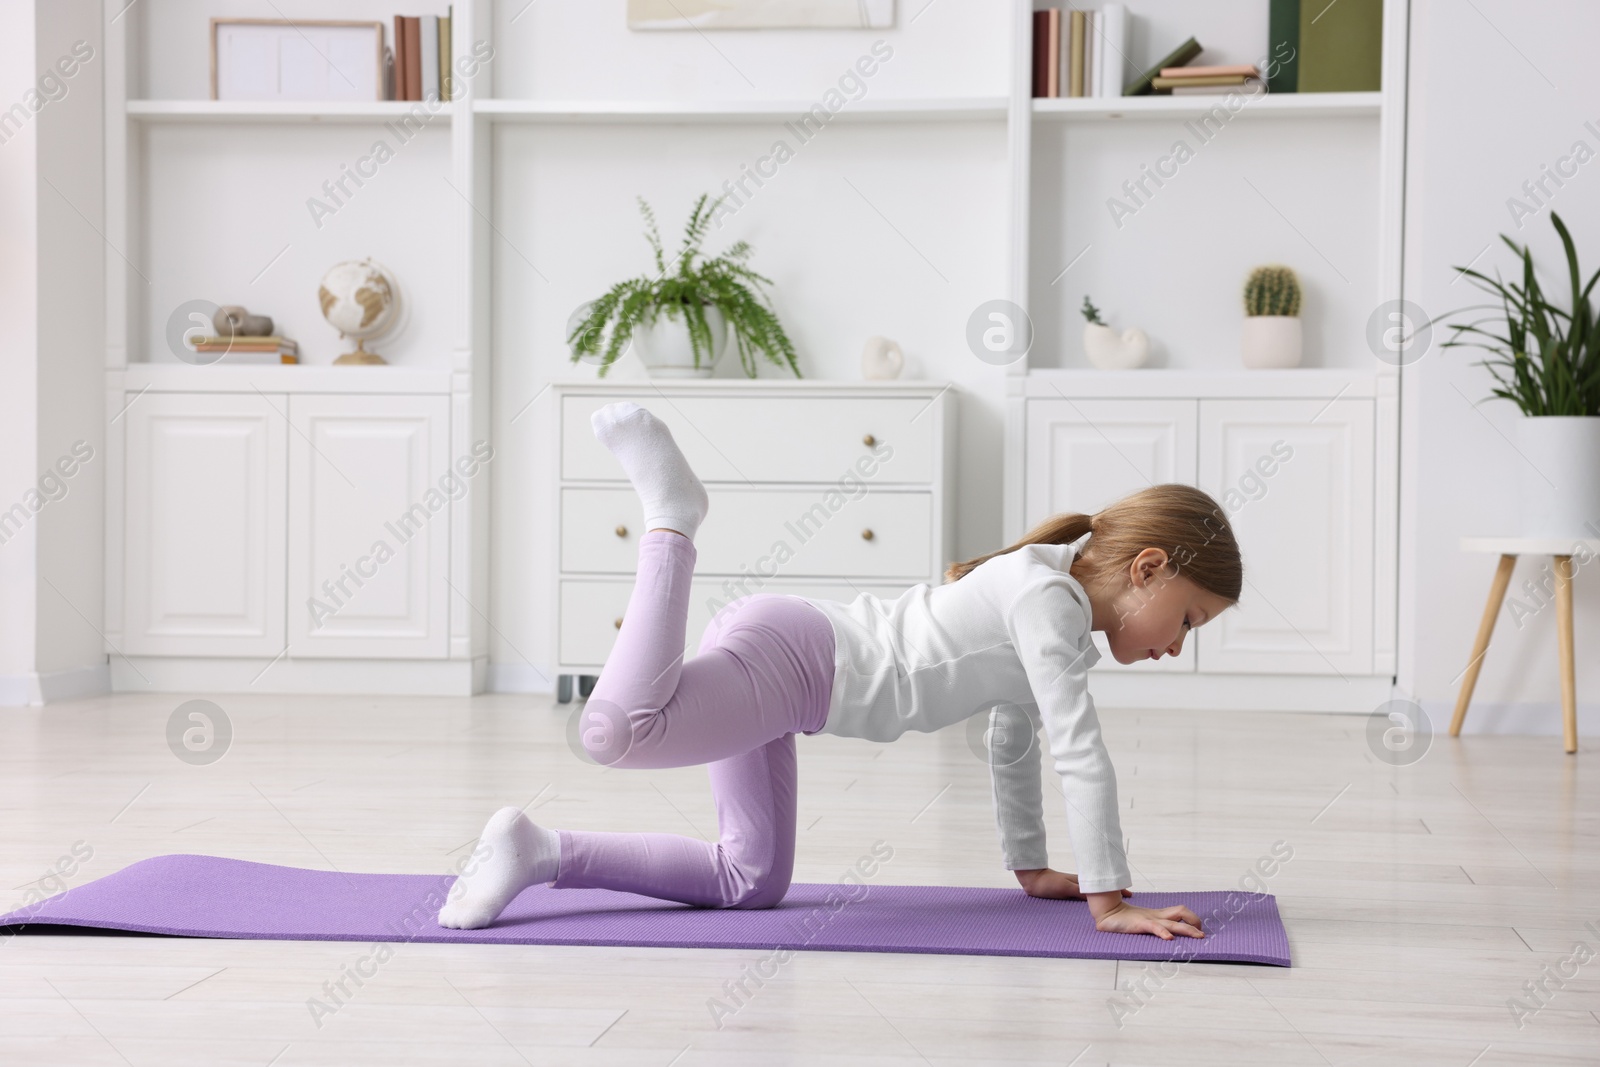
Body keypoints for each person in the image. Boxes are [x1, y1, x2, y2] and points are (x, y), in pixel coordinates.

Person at [439, 401, 1241, 940]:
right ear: (1146, 569)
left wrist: (1029, 867)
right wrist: (1111, 899)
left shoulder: (1054, 605)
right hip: (797, 656)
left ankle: (537, 850)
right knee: (615, 731)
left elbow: (1015, 734)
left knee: (748, 879)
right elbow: (1080, 750)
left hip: (797, 680)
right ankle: (672, 521)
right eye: (1189, 619)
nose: (1177, 643)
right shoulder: (1047, 598)